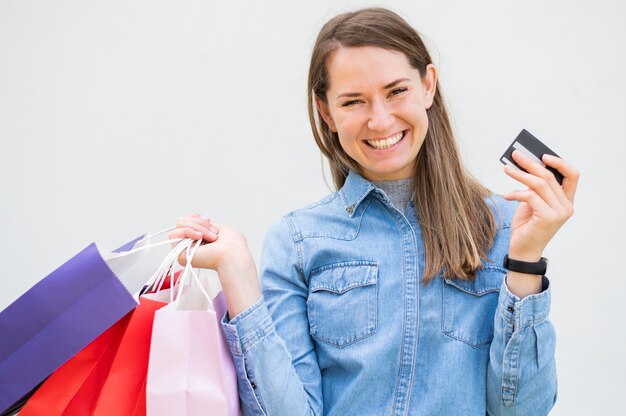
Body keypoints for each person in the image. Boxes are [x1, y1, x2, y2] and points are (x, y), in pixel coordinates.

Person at [170, 7, 578, 415]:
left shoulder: (502, 225)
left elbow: (522, 410)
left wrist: (526, 260)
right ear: (326, 112)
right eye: (353, 101)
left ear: (428, 86)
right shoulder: (297, 241)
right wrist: (236, 270)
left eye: (396, 91)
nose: (380, 121)